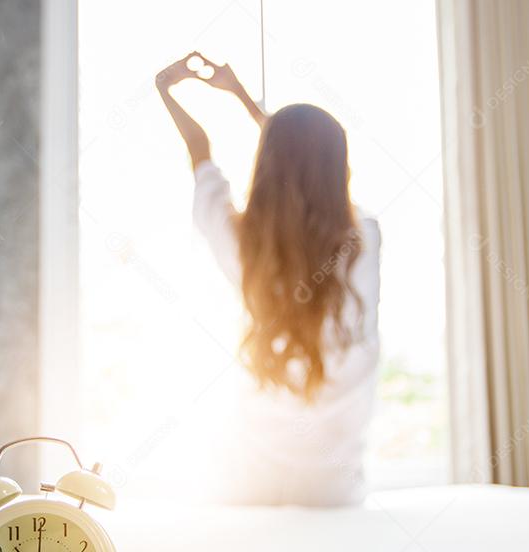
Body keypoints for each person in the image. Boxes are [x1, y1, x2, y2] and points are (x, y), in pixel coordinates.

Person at [155, 52, 381, 506]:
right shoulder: (363, 240)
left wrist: (164, 90)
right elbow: (303, 159)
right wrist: (243, 97)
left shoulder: (237, 241)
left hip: (249, 478)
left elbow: (201, 152)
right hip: (335, 488)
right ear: (342, 167)